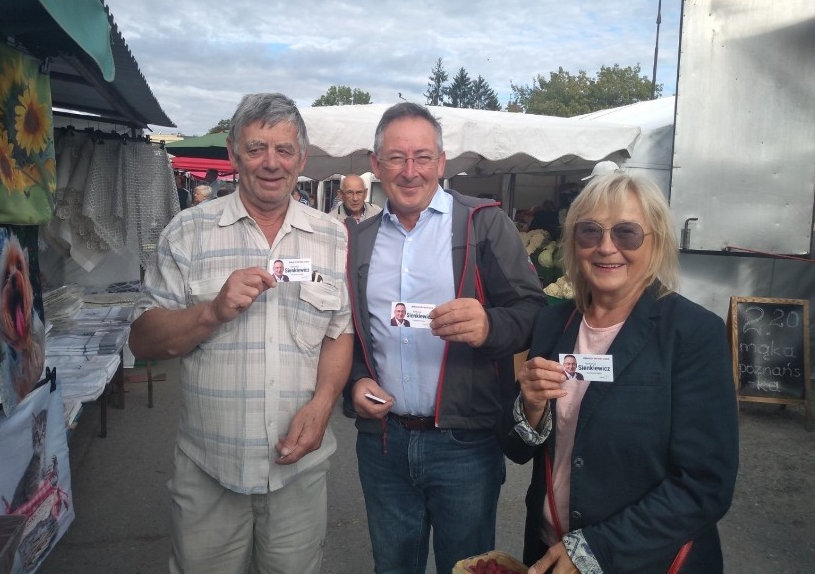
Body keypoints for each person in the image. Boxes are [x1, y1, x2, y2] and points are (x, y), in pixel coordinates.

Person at [129, 92, 353, 574]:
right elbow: (143, 340)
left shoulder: (333, 237)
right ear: (233, 153)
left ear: (302, 158)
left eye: (284, 150)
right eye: (256, 148)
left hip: (300, 473)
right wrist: (211, 312)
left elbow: (339, 332)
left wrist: (323, 403)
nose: (271, 163)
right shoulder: (187, 232)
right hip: (210, 471)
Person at [497, 172, 738, 573]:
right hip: (548, 551)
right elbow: (518, 450)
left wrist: (595, 549)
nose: (606, 247)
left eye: (627, 233)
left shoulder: (693, 334)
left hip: (642, 559)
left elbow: (705, 484)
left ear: (656, 241)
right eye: (590, 232)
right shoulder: (552, 323)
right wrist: (531, 407)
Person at [346, 102, 547, 574]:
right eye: (396, 158)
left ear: (441, 161)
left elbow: (533, 310)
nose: (410, 171)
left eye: (422, 157)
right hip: (384, 442)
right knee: (393, 567)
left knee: (468, 567)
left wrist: (490, 326)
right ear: (376, 166)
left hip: (465, 444)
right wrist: (354, 380)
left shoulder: (482, 223)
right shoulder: (360, 238)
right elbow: (352, 331)